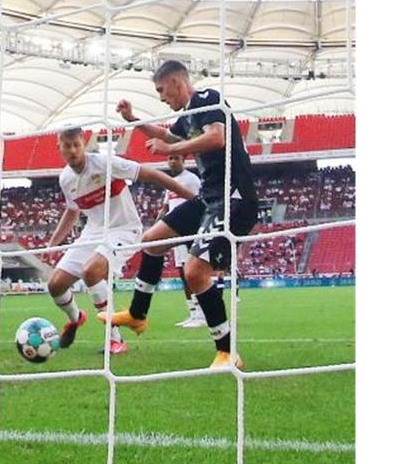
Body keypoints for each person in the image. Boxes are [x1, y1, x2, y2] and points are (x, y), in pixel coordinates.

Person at [101, 60, 259, 368]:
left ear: (175, 82)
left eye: (161, 90)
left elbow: (217, 138)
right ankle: (137, 315)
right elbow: (169, 137)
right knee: (152, 241)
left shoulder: (207, 99)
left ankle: (228, 352)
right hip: (209, 197)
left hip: (233, 196)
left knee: (195, 272)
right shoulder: (188, 116)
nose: (162, 98)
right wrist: (134, 120)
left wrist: (171, 149)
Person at [44, 127, 197, 354]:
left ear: (83, 144)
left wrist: (192, 199)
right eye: (68, 146)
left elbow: (151, 174)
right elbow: (72, 211)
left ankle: (114, 339)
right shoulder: (65, 179)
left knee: (91, 272)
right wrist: (54, 243)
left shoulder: (105, 163)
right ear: (60, 148)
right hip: (92, 232)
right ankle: (76, 318)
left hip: (123, 229)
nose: (73, 150)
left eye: (77, 144)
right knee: (55, 285)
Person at [161, 153, 204, 328]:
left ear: (183, 160)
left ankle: (202, 313)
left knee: (192, 271)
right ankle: (192, 313)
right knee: (182, 272)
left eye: (176, 158)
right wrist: (157, 225)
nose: (172, 161)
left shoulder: (191, 179)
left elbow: (199, 202)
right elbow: (165, 207)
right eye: (170, 158)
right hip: (175, 231)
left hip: (189, 230)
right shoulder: (169, 184)